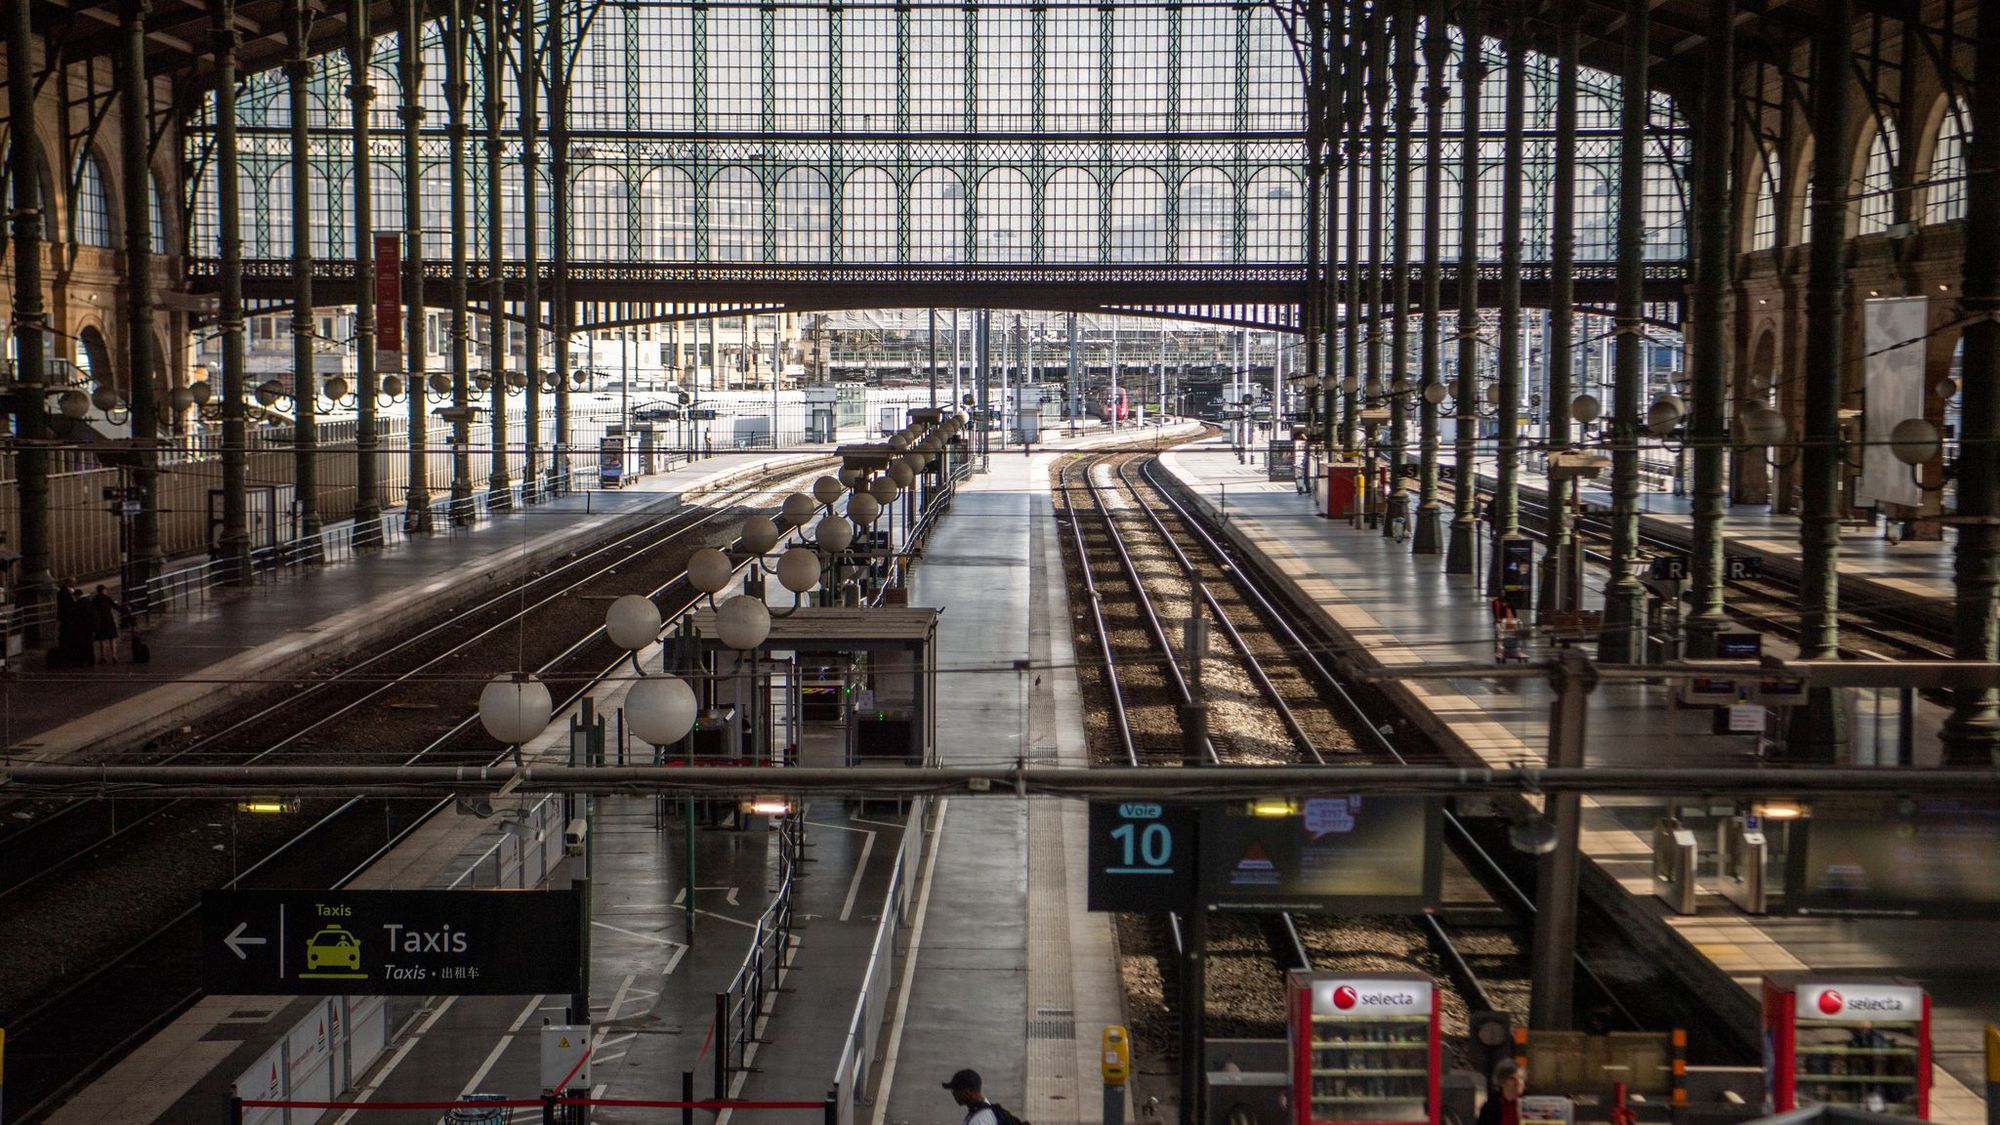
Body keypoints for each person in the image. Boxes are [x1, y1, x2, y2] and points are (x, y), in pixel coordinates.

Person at [1476, 1060, 1526, 1125]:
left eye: (1521, 1078)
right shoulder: (1490, 1107)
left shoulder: (1531, 1102)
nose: (1518, 1082)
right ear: (1502, 1082)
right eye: (1512, 1078)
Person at [90, 584, 124, 664]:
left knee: (102, 640)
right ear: (104, 590)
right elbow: (115, 606)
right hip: (109, 621)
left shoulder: (95, 599)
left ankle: (103, 657)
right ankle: (114, 656)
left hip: (100, 622)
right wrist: (124, 610)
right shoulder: (107, 598)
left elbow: (91, 609)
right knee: (112, 639)